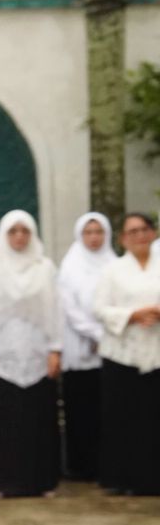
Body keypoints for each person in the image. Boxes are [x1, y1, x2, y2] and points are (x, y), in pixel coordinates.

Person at [0, 210, 62, 499]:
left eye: (25, 231)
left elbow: (55, 310)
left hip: (37, 352)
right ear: (4, 235)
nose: (19, 237)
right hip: (2, 355)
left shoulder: (45, 268)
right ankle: (3, 481)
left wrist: (55, 349)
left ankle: (41, 481)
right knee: (5, 420)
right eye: (13, 231)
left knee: (38, 418)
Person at [93, 211, 160, 494]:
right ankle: (123, 479)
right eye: (133, 231)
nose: (139, 236)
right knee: (125, 418)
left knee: (154, 418)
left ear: (153, 233)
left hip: (156, 352)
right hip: (122, 355)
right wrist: (133, 315)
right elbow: (99, 308)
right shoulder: (113, 270)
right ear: (122, 239)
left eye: (144, 229)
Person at [57, 213, 115, 481]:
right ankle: (80, 466)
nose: (94, 238)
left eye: (99, 232)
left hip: (111, 345)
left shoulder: (114, 264)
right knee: (80, 408)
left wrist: (105, 333)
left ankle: (106, 465)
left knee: (107, 408)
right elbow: (69, 308)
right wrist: (95, 333)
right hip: (78, 348)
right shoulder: (70, 267)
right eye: (88, 232)